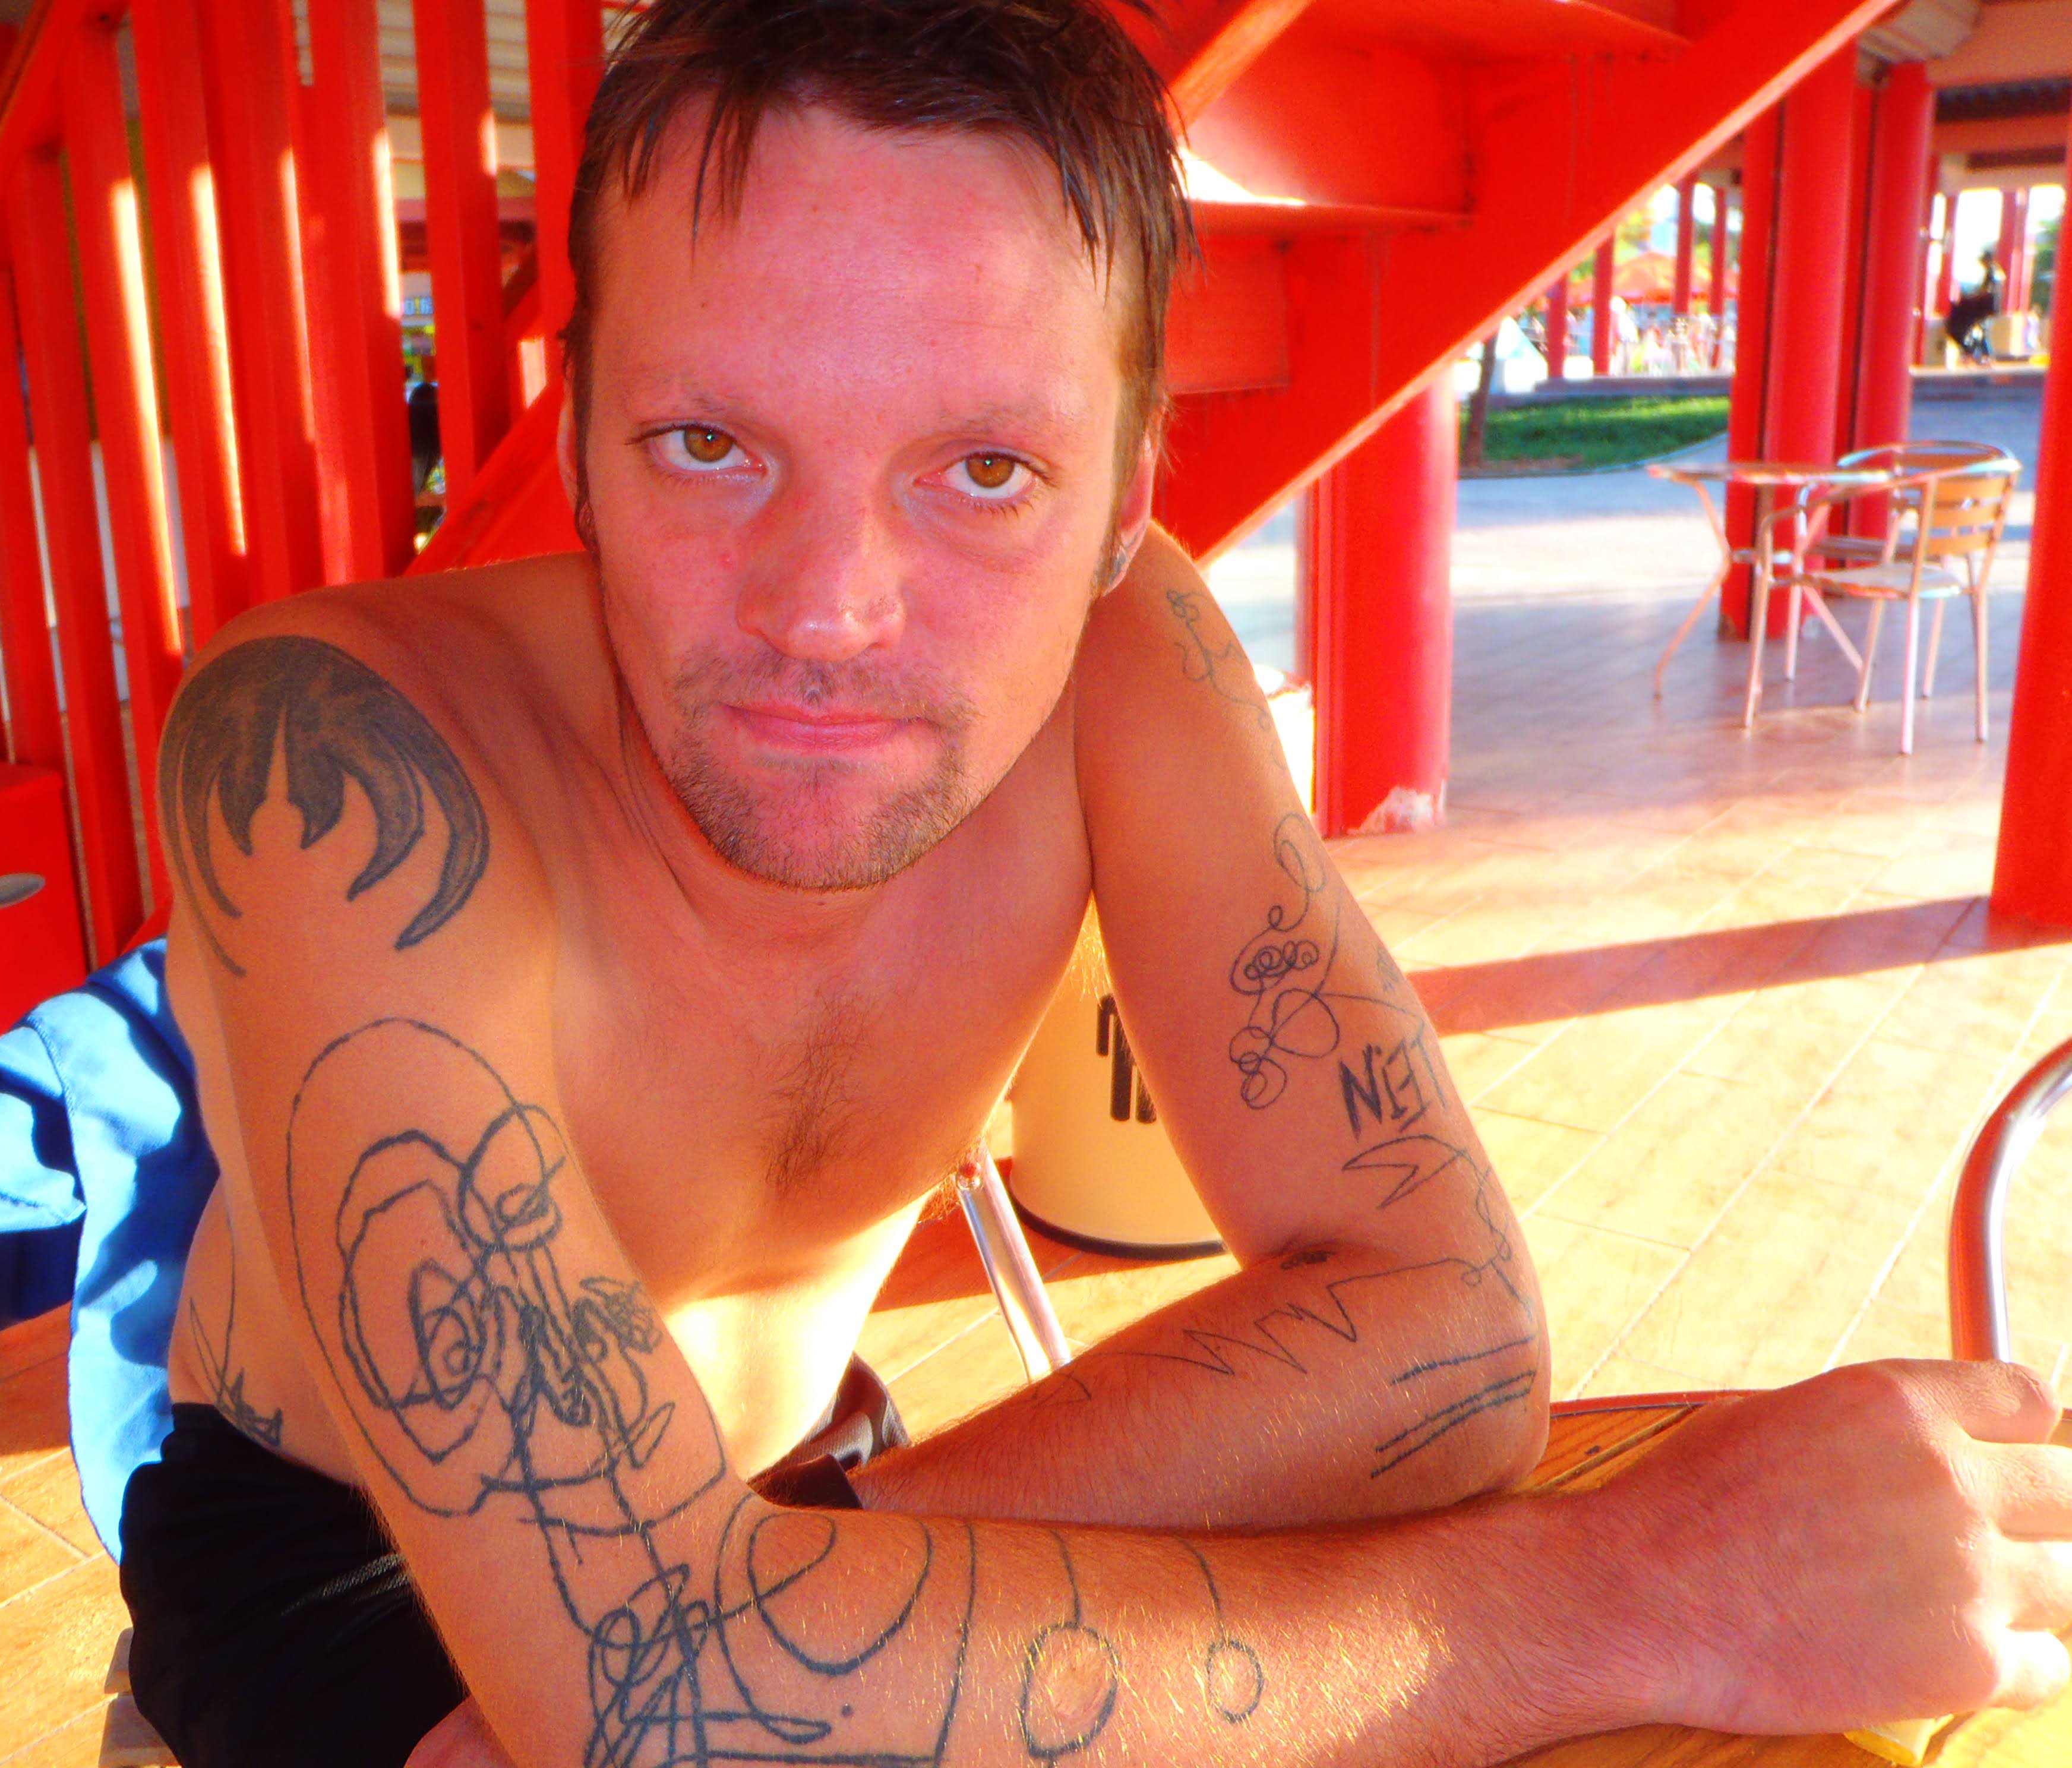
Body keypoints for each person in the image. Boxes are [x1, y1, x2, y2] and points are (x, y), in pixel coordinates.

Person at [122, 2, 2072, 1764]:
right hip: (340, 1569)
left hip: (832, 1498)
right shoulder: (328, 756)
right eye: (707, 443)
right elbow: (652, 1698)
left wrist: (777, 1593)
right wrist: (1645, 1589)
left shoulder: (1129, 656)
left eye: (983, 472)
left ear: (1128, 494)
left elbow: (1455, 1335)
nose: (827, 614)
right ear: (575, 434)